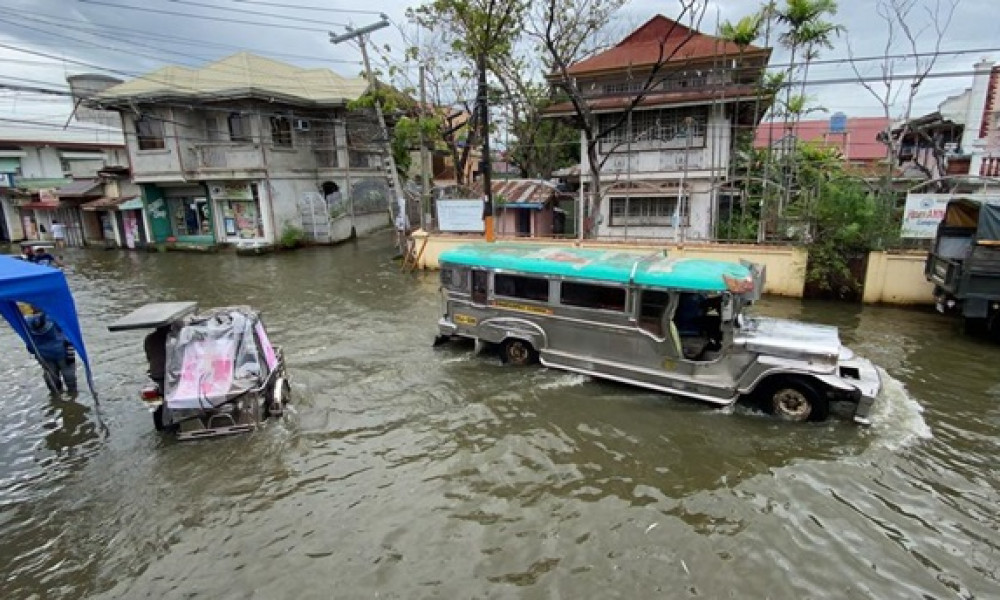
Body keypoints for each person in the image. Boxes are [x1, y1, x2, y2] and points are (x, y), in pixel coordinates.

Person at [24, 310, 78, 397]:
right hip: (62, 352)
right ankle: (73, 396)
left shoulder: (25, 322)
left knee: (51, 377)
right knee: (68, 374)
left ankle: (56, 398)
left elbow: (28, 342)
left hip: (44, 355)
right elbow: (67, 329)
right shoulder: (54, 316)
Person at [144, 325, 170, 391]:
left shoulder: (149, 338)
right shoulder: (172, 337)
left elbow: (149, 357)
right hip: (170, 373)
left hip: (155, 373)